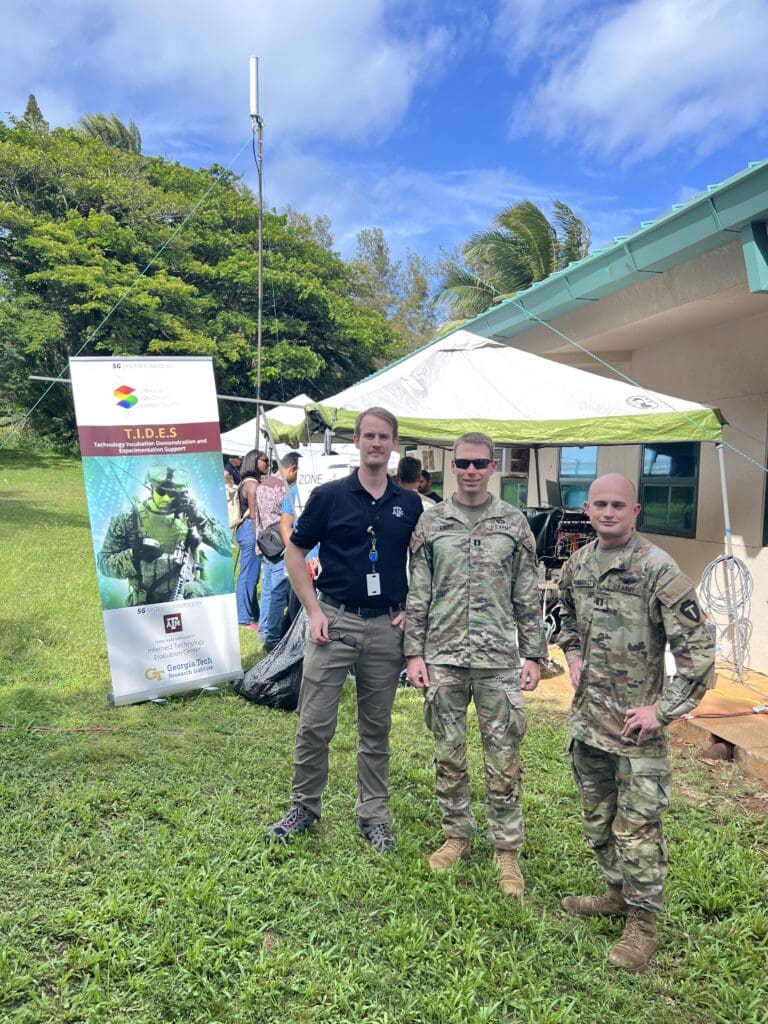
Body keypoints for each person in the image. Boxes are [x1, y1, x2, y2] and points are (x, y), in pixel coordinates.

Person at [558, 473, 715, 971]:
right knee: (598, 821)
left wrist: (661, 711)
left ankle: (643, 925)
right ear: (587, 509)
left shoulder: (658, 570)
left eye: (618, 505)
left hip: (636, 731)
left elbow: (700, 654)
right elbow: (563, 615)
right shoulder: (579, 564)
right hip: (588, 724)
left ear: (635, 511)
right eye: (599, 504)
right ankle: (617, 894)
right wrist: (572, 654)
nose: (608, 512)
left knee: (638, 829)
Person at [266, 407, 422, 853]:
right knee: (314, 723)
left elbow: (426, 563)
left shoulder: (408, 504)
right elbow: (295, 552)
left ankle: (373, 815)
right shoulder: (330, 496)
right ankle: (304, 807)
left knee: (376, 728)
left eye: (384, 436)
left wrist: (412, 606)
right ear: (356, 441)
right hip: (334, 622)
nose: (376, 443)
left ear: (394, 444)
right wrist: (312, 610)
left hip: (386, 628)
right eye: (369, 435)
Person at [405, 432, 545, 896]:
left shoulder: (514, 523)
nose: (469, 470)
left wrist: (533, 654)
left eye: (479, 463)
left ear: (492, 467)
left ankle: (506, 850)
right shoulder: (432, 524)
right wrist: (414, 652)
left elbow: (528, 594)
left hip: (499, 659)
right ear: (452, 467)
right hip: (443, 655)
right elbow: (418, 593)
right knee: (449, 753)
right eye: (462, 463)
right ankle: (457, 835)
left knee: (504, 759)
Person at [98, 465, 230, 606]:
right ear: (152, 488)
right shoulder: (127, 518)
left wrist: (199, 518)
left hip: (188, 597)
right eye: (161, 491)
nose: (166, 498)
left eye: (173, 494)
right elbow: (103, 564)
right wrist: (134, 555)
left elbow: (227, 548)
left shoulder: (191, 514)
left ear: (182, 494)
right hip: (145, 602)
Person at [254, 453, 291, 653]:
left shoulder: (263, 486)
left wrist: (258, 541)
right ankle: (273, 638)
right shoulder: (284, 489)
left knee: (268, 588)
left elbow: (257, 517)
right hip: (279, 545)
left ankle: (264, 629)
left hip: (264, 543)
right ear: (292, 468)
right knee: (278, 591)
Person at [235, 449, 269, 629]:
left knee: (248, 575)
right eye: (265, 460)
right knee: (249, 576)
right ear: (255, 462)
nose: (268, 464)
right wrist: (260, 539)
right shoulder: (253, 485)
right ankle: (244, 617)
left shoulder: (245, 483)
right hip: (250, 531)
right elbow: (255, 515)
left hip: (245, 530)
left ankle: (250, 613)